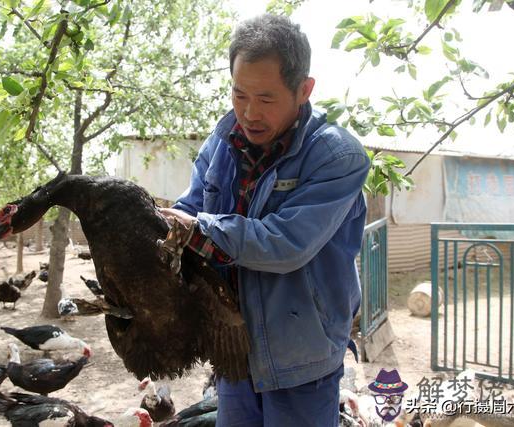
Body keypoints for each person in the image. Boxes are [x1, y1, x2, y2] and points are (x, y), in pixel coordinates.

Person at [159, 13, 370, 427]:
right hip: (236, 347)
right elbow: (189, 210)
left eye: (267, 99)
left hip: (302, 357)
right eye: (240, 95)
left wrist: (196, 229)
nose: (249, 113)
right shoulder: (221, 145)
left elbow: (286, 242)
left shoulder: (338, 157)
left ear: (304, 90)